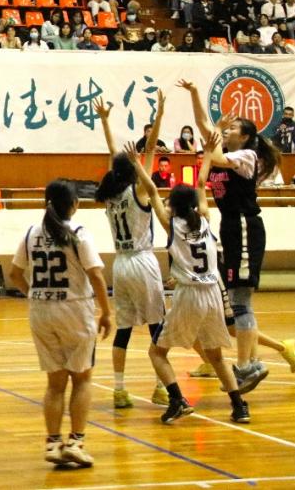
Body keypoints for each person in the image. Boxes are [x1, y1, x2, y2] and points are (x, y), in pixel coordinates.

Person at [179, 80, 295, 389]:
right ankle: (251, 363)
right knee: (237, 299)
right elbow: (205, 127)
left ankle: (247, 366)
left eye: (233, 128)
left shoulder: (247, 156)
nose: (227, 130)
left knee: (240, 300)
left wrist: (216, 132)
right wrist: (194, 93)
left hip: (245, 225)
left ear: (245, 136)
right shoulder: (225, 148)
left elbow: (217, 156)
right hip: (231, 227)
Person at [125, 135, 250, 424]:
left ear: (173, 205)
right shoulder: (204, 217)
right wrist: (207, 154)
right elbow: (201, 183)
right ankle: (239, 405)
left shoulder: (172, 225)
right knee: (215, 356)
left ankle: (177, 400)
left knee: (157, 353)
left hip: (190, 294)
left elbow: (151, 189)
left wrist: (136, 163)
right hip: (213, 292)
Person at [6, 178, 111, 467]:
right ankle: (75, 442)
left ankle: (53, 444)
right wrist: (107, 312)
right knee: (82, 378)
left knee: (55, 383)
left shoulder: (31, 232)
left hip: (40, 312)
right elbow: (96, 275)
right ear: (74, 205)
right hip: (74, 309)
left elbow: (14, 274)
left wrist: (34, 294)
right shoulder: (78, 233)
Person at [93, 96, 170, 409]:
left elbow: (113, 155)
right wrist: (160, 115)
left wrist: (105, 120)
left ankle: (119, 389)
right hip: (142, 261)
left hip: (120, 265)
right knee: (156, 326)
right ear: (134, 171)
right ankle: (161, 387)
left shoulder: (110, 195)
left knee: (124, 330)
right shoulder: (138, 189)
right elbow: (150, 151)